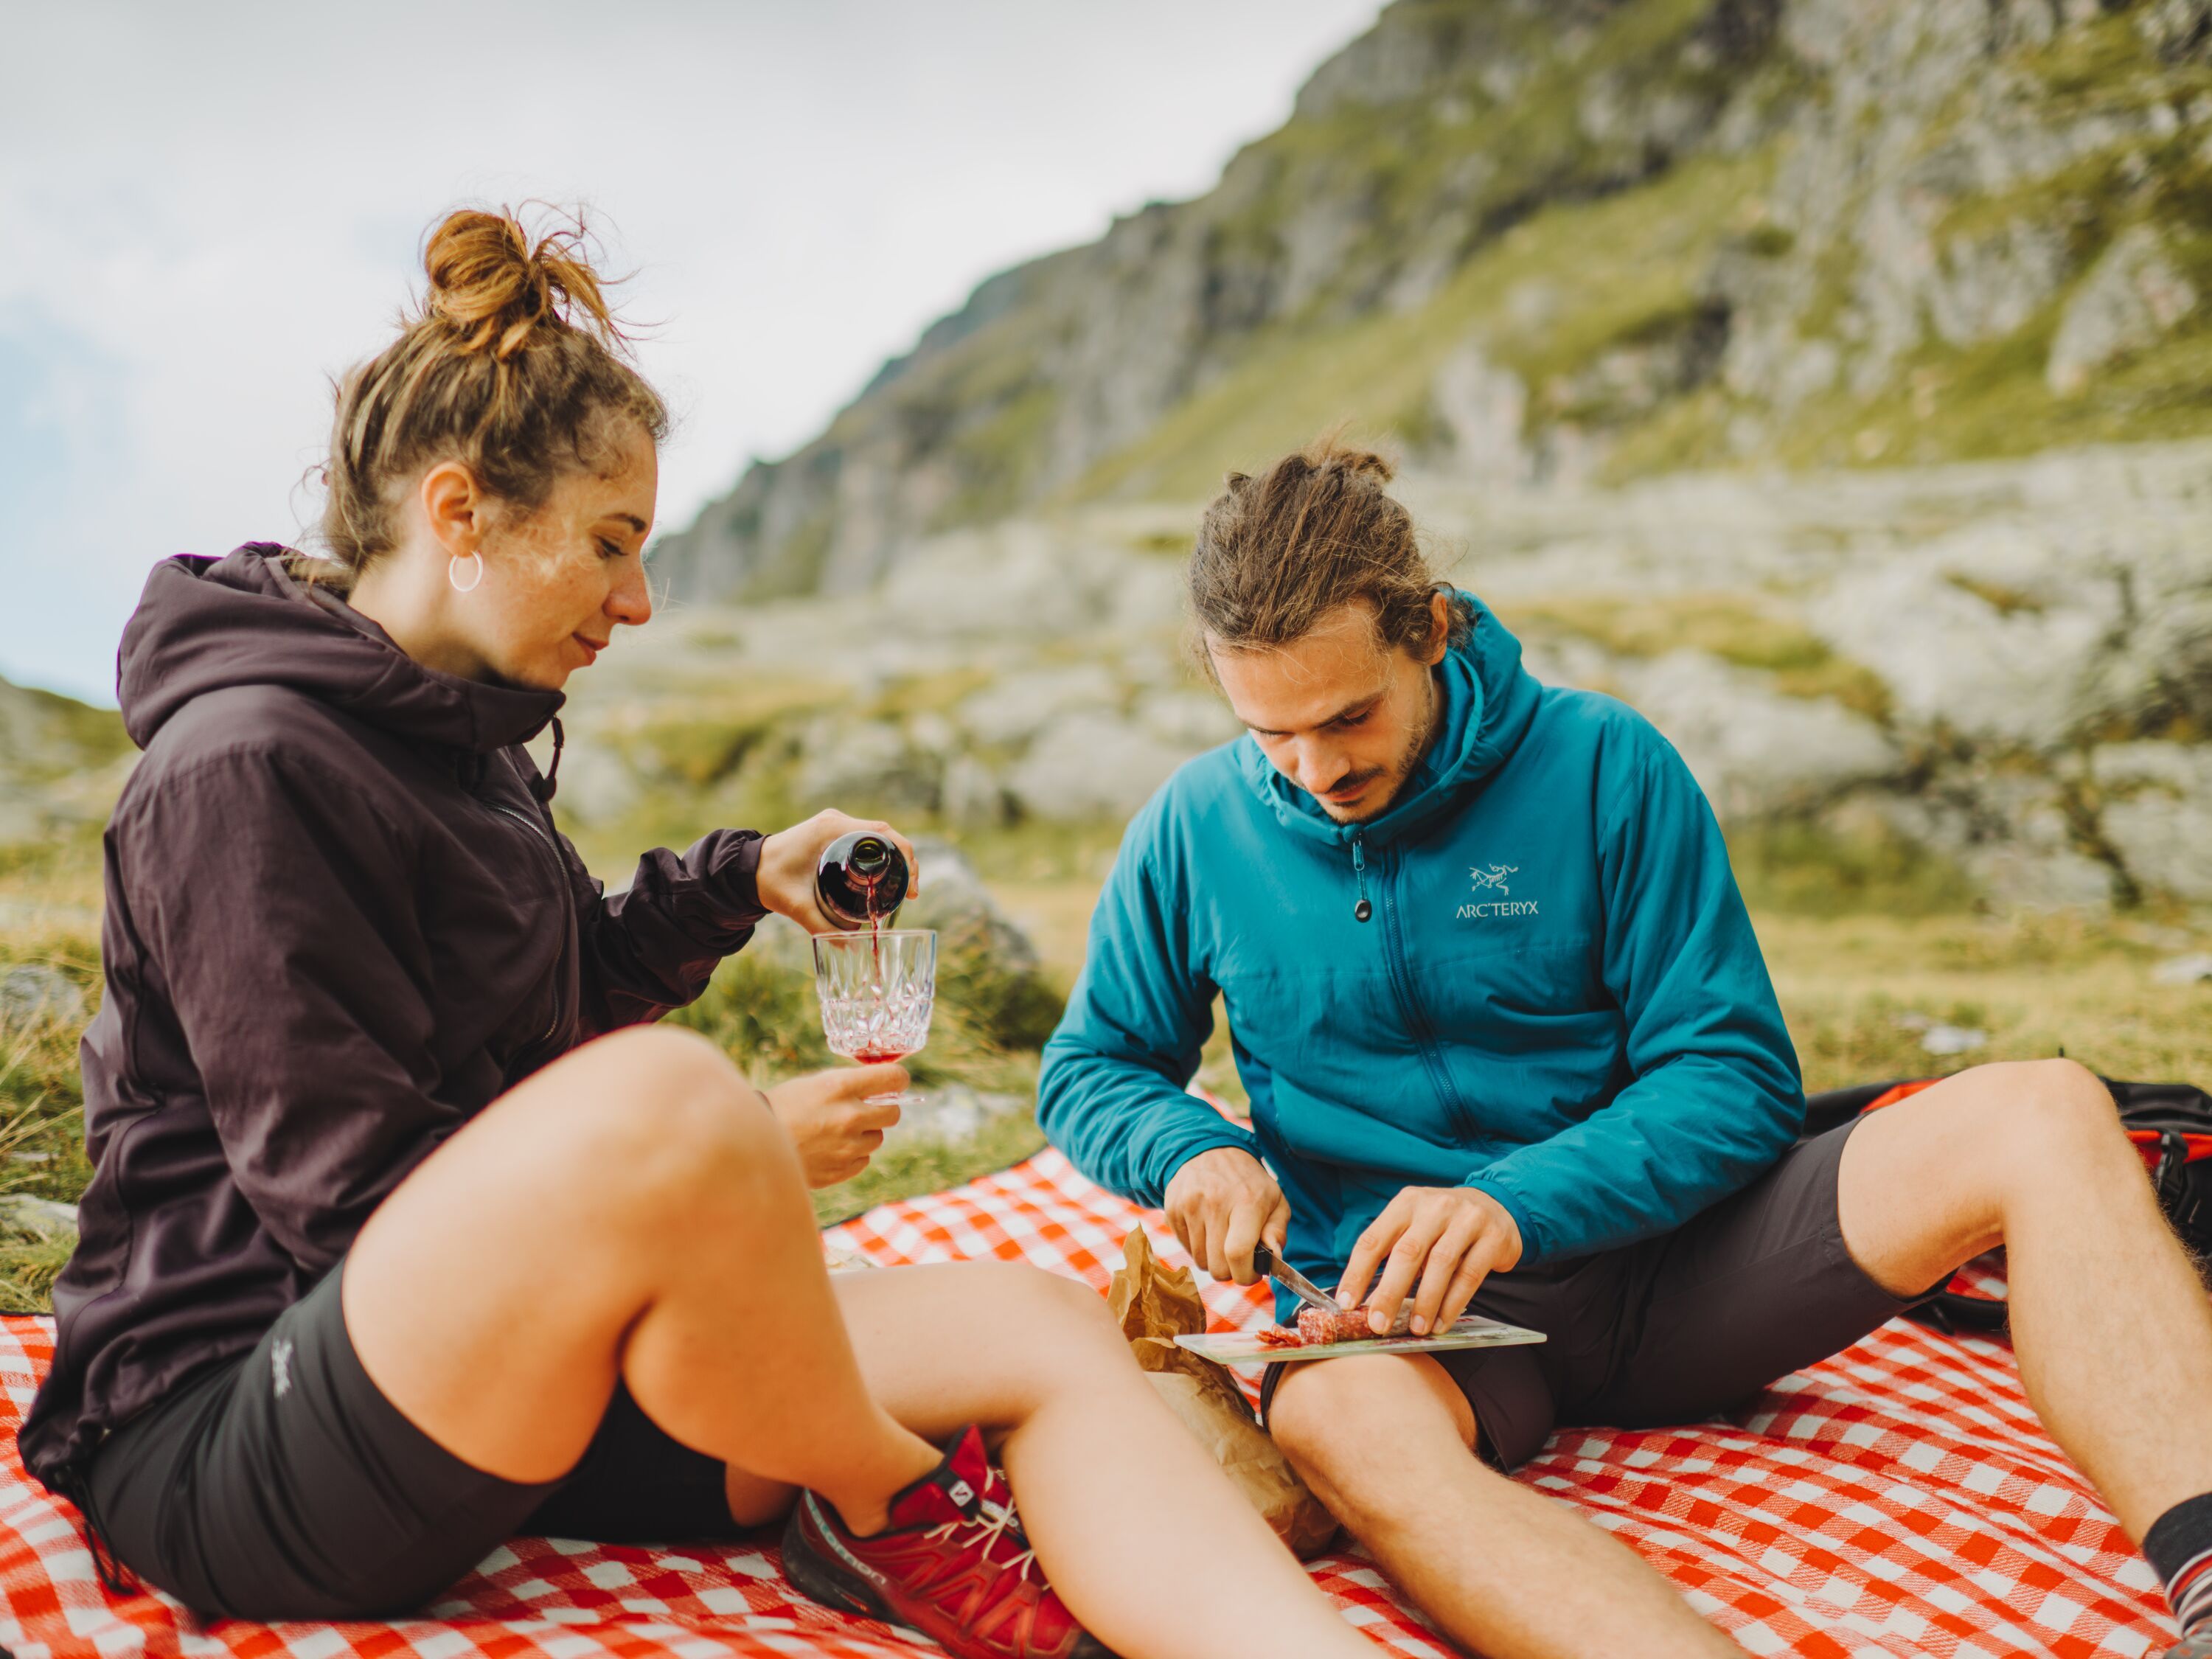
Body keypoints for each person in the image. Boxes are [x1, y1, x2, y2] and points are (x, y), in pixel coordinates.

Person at [16, 210, 1386, 1659]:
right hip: (247, 1439)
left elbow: (549, 998)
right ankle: (894, 1509)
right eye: (610, 544)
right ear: (460, 513)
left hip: (497, 1376)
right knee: (680, 1104)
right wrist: (702, 1186)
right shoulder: (249, 766)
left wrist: (743, 882)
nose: (638, 600)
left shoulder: (452, 737)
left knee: (1041, 1325)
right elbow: (342, 1201)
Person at [1037, 437, 2212, 1659]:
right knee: (1338, 1431)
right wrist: (1187, 1150)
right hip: (1398, 1320)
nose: (1316, 767)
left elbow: (1738, 1075)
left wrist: (1510, 1200)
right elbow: (1091, 1068)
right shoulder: (1191, 828)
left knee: (2048, 1111)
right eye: (1269, 733)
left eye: (1348, 715)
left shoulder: (1604, 764)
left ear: (1429, 630)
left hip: (1684, 1271)